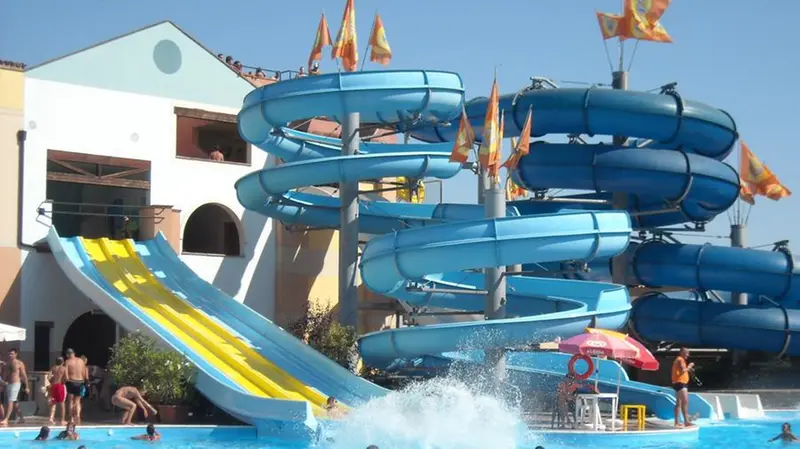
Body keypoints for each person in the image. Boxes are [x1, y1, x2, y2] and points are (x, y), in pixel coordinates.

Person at [0, 348, 28, 426]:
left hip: (16, 384)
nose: (10, 355)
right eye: (9, 354)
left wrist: (27, 387)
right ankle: (22, 418)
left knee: (10, 401)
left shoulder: (19, 363)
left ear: (16, 354)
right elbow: (5, 375)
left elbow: (24, 375)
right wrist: (2, 384)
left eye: (12, 354)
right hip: (8, 384)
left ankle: (6, 419)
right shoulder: (7, 363)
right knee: (15, 402)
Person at [671, 347, 695, 428]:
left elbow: (682, 370)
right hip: (681, 383)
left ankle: (677, 422)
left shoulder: (679, 359)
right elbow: (683, 370)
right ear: (682, 352)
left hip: (677, 383)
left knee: (679, 403)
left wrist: (688, 369)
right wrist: (689, 366)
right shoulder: (680, 359)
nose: (688, 355)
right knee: (685, 402)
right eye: (686, 353)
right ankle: (686, 421)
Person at [64, 349, 88, 424]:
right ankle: (78, 416)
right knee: (77, 401)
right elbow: (84, 373)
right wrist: (84, 382)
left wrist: (65, 382)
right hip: (80, 382)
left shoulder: (67, 361)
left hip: (71, 381)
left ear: (68, 355)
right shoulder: (81, 361)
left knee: (70, 401)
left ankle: (71, 418)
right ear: (74, 353)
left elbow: (66, 375)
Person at [48, 357, 68, 425]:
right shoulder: (64, 368)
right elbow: (67, 378)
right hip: (60, 385)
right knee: (62, 403)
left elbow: (49, 377)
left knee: (53, 402)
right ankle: (62, 420)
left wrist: (51, 381)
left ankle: (51, 418)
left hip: (53, 385)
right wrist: (63, 382)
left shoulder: (53, 368)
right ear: (62, 362)